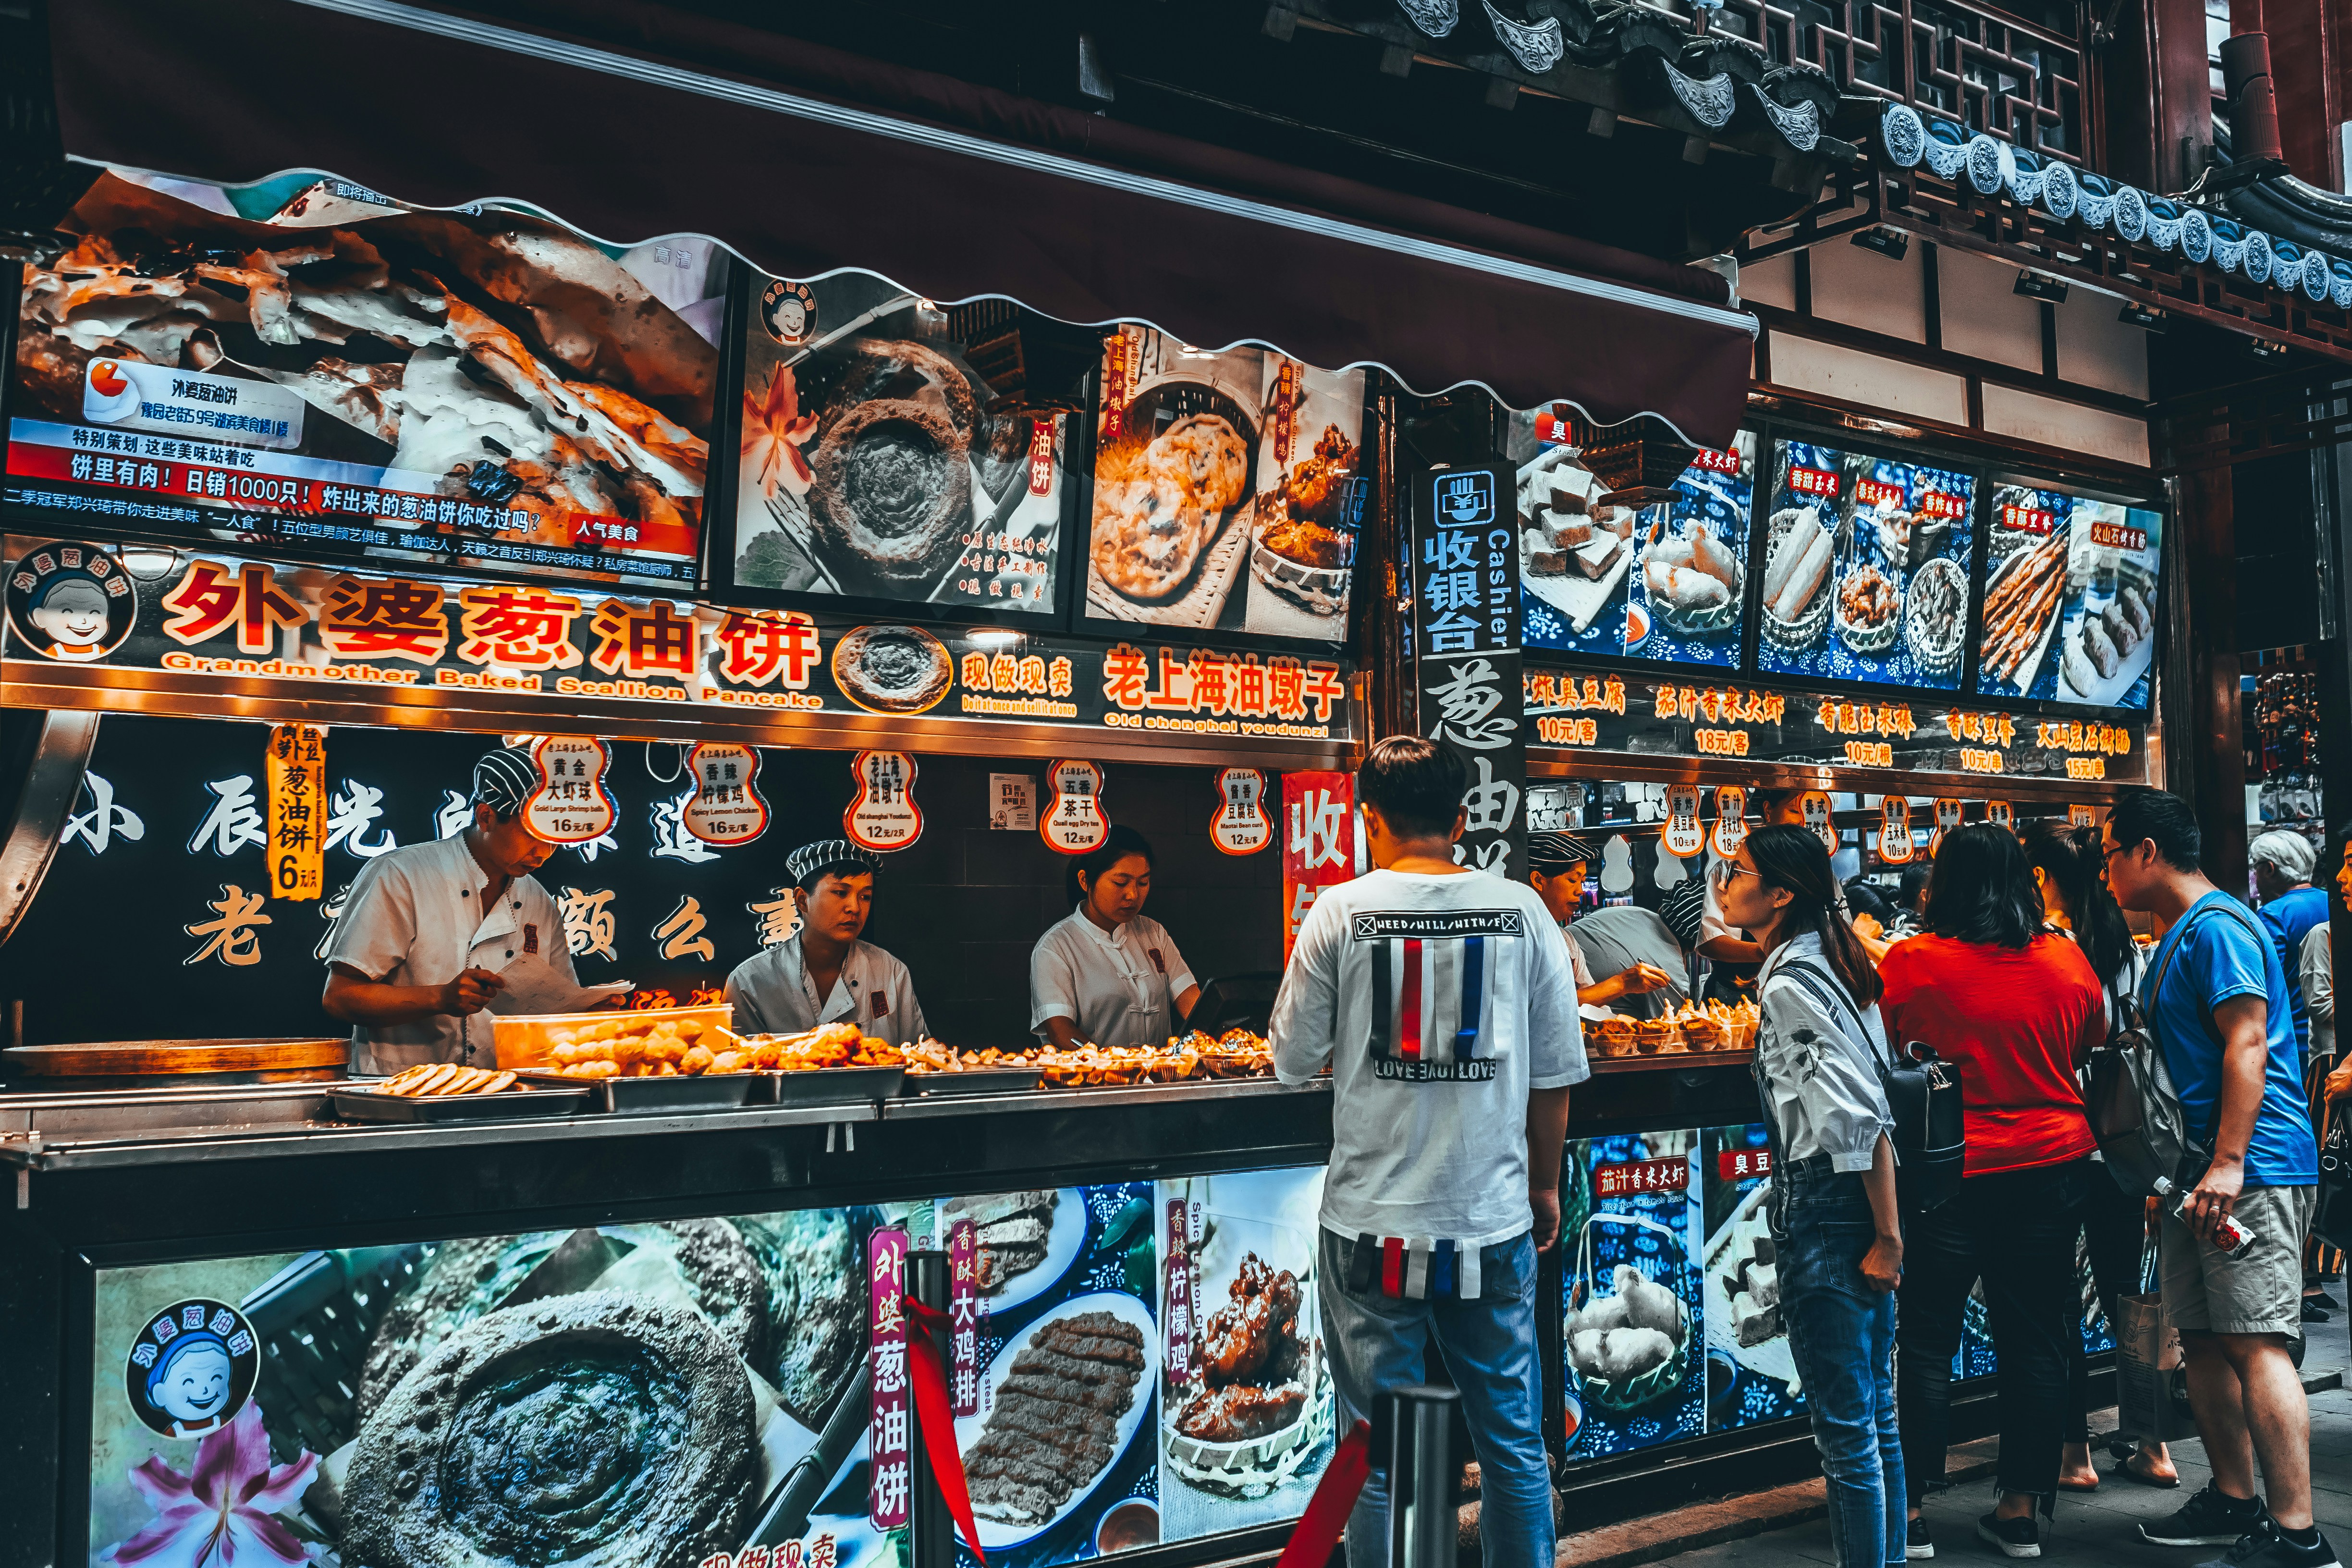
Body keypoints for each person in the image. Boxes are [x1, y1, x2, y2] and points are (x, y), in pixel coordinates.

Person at [1270, 736, 1582, 1568]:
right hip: (1491, 1216)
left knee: (1385, 1452)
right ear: (1461, 818)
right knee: (1512, 1440)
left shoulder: (1338, 911)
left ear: (1368, 817)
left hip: (1372, 1226)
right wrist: (1544, 1187)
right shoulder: (1523, 909)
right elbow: (1553, 1075)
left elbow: (1291, 1059)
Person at [2104, 787, 2329, 1568]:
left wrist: (2230, 1161)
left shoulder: (2221, 925)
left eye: (2109, 852)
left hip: (2251, 1167)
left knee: (2257, 1341)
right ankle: (2234, 1499)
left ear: (2145, 851)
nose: (2104, 870)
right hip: (2197, 1173)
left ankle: (2298, 1532)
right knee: (2201, 1337)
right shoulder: (2179, 934)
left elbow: (2248, 1039)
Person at [1878, 823, 2102, 1559]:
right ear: (2022, 883)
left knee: (1926, 1339)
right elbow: (2090, 1041)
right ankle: (2018, 1512)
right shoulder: (2067, 959)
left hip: (1946, 1175)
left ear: (1944, 883)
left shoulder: (1912, 961)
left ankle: (1908, 1513)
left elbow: (1890, 1049)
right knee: (2036, 1339)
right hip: (2051, 1168)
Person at [1713, 824, 1904, 1568]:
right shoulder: (1832, 960)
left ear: (1781, 894)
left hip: (1831, 1211)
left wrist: (1886, 1238)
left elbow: (1857, 1118)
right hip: (1849, 1205)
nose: (1725, 883)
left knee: (1847, 1430)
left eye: (1737, 871)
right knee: (1874, 1418)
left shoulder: (1792, 984)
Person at [2021, 817, 2179, 1492]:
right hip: (2122, 1145)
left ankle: (2075, 1454)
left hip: (2062, 1143)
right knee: (2130, 1298)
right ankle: (2154, 1445)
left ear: (2042, 877)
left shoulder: (2049, 947)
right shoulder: (2126, 946)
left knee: (2057, 1299)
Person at [323, 747, 589, 1074]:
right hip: (399, 1090)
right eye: (533, 835)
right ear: (486, 817)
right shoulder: (400, 875)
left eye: (554, 838)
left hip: (505, 1090)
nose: (545, 852)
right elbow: (341, 997)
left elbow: (559, 1009)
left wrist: (590, 1010)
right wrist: (441, 998)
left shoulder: (538, 899)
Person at [723, 839, 927, 1041]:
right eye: (840, 893)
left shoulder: (889, 970)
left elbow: (919, 1056)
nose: (855, 908)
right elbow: (738, 1065)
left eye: (865, 896)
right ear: (803, 900)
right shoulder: (750, 980)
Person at [1031, 825, 1198, 1049]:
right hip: (1093, 1080)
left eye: (1143, 883)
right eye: (1121, 882)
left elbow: (1192, 1003)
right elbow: (1060, 1031)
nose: (1133, 895)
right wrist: (1105, 1062)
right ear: (1085, 881)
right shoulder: (1056, 947)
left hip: (1160, 1077)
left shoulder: (1154, 933)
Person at [1527, 832, 1679, 1014]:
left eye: (1582, 882)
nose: (1580, 891)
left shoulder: (1566, 941)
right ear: (1538, 880)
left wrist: (1617, 1023)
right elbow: (1546, 1006)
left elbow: (1587, 998)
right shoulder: (1519, 939)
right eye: (1573, 880)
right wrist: (1622, 983)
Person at [2252, 831, 2330, 1062]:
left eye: (2255, 869)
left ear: (2269, 869)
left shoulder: (2272, 916)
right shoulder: (2334, 901)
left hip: (2292, 1044)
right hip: (2331, 1036)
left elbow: (2267, 984)